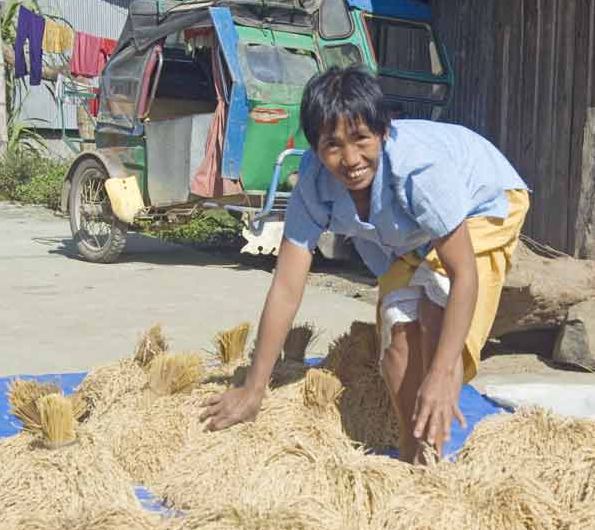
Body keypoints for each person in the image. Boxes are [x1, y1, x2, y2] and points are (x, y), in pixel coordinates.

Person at [200, 66, 530, 462]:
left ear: (383, 132)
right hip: (413, 233)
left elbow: (463, 275)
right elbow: (287, 287)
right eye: (333, 145)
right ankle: (414, 457)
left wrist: (441, 375)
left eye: (360, 139)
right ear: (315, 148)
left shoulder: (419, 172)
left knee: (435, 315)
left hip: (484, 201)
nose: (350, 159)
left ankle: (433, 457)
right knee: (396, 336)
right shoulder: (313, 182)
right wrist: (254, 388)